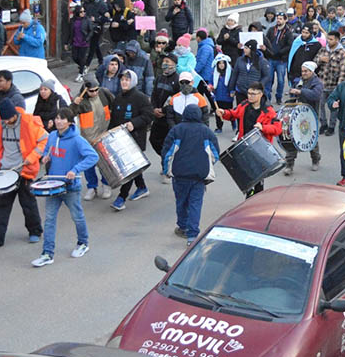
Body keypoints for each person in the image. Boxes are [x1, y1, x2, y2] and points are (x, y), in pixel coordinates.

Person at [33, 107, 98, 267]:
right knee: (49, 219)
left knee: (77, 217)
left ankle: (83, 243)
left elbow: (93, 156)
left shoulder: (77, 140)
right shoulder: (53, 135)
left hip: (70, 186)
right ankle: (47, 253)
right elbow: (48, 150)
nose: (58, 121)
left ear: (69, 122)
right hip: (53, 185)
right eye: (57, 118)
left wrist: (75, 170)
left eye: (62, 119)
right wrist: (46, 157)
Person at [0, 99, 48, 249]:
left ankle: (35, 231)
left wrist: (31, 158)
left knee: (28, 204)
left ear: (15, 114)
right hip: (5, 171)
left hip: (24, 171)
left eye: (9, 119)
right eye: (4, 120)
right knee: (2, 206)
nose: (6, 122)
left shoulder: (29, 123)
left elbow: (44, 141)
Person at [161, 104, 220, 246]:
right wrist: (207, 166)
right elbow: (215, 154)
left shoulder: (176, 130)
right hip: (199, 176)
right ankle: (192, 236)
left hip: (180, 175)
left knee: (181, 202)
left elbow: (167, 153)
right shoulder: (207, 132)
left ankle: (182, 227)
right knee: (195, 203)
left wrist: (166, 171)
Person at [217, 82, 282, 197]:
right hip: (245, 146)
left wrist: (263, 128)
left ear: (261, 94)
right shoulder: (244, 105)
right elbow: (233, 114)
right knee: (247, 177)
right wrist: (224, 112)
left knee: (258, 179)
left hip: (260, 149)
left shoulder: (268, 111)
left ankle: (257, 200)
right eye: (249, 93)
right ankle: (249, 198)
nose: (250, 96)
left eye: (253, 94)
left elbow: (277, 129)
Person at [108, 70, 153, 211]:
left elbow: (148, 115)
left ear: (133, 81)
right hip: (121, 139)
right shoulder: (118, 98)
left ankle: (121, 197)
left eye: (127, 80)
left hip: (136, 138)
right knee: (134, 167)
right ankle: (142, 187)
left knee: (130, 168)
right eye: (122, 80)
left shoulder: (141, 98)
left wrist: (134, 123)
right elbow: (114, 119)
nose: (124, 82)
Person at [71, 79, 114, 200]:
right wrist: (74, 104)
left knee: (105, 163)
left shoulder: (104, 94)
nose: (94, 93)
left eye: (96, 90)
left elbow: (114, 104)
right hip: (87, 139)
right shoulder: (80, 100)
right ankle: (92, 187)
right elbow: (69, 114)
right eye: (91, 91)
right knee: (88, 165)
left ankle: (106, 185)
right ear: (85, 90)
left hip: (104, 135)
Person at [283, 61, 323, 175]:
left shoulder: (317, 83)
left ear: (311, 71)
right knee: (292, 137)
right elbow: (293, 92)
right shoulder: (299, 81)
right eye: (302, 71)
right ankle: (289, 164)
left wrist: (300, 91)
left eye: (306, 71)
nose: (303, 73)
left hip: (310, 114)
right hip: (297, 114)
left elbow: (315, 95)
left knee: (311, 138)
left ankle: (316, 159)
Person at [314, 31, 345, 136]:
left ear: (337, 40)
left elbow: (343, 72)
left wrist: (339, 88)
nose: (328, 41)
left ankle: (331, 126)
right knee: (320, 105)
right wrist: (320, 59)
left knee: (333, 107)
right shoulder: (323, 50)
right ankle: (323, 124)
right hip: (322, 82)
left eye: (331, 39)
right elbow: (314, 62)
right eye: (328, 39)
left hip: (333, 84)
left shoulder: (342, 53)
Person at [149, 54, 179, 162]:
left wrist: (164, 111)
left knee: (167, 142)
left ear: (174, 64)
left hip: (169, 118)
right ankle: (166, 158)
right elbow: (154, 95)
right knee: (153, 140)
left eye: (168, 61)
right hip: (157, 117)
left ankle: (166, 164)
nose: (165, 64)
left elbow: (177, 100)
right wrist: (154, 108)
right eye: (164, 61)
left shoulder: (177, 80)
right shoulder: (159, 78)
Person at [263, 11, 294, 103]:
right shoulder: (272, 29)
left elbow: (289, 45)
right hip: (271, 59)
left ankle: (279, 97)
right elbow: (266, 40)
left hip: (281, 60)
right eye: (277, 19)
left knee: (280, 81)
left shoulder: (288, 32)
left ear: (285, 20)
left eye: (280, 19)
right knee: (269, 79)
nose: (278, 20)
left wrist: (280, 52)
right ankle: (267, 98)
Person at [229, 39, 270, 107]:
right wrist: (231, 89)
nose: (244, 49)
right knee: (241, 112)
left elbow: (266, 76)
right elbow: (234, 75)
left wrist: (259, 86)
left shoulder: (262, 61)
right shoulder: (240, 60)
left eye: (246, 48)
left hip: (254, 92)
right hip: (240, 91)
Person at [68, 5, 93, 81]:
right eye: (81, 11)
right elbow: (70, 32)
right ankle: (84, 66)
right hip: (75, 41)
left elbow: (91, 30)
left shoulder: (87, 20)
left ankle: (80, 74)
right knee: (75, 57)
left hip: (84, 42)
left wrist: (87, 39)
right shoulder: (73, 20)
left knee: (81, 58)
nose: (83, 13)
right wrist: (67, 42)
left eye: (84, 11)